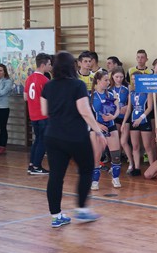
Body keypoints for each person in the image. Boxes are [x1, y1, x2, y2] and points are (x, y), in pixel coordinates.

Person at [41, 51, 107, 227]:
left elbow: (44, 111)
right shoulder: (78, 85)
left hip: (53, 135)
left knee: (56, 176)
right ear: (73, 66)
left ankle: (56, 216)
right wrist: (98, 132)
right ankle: (82, 210)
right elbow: (84, 110)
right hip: (75, 136)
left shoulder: (48, 86)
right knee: (86, 170)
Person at [90, 71, 122, 189]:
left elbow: (117, 109)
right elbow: (86, 115)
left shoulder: (111, 93)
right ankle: (95, 181)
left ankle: (116, 178)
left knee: (116, 155)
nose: (108, 82)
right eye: (106, 80)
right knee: (97, 156)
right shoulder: (90, 96)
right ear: (98, 81)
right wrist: (98, 124)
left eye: (109, 80)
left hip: (111, 126)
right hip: (97, 128)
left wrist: (113, 117)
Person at [24, 53, 52, 175]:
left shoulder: (29, 78)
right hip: (43, 115)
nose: (50, 66)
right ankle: (36, 166)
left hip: (33, 115)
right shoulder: (45, 80)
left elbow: (25, 97)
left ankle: (32, 164)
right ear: (43, 65)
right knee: (43, 141)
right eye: (49, 64)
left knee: (37, 139)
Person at [123, 76, 154, 177]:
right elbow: (129, 109)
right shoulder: (131, 93)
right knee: (135, 146)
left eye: (136, 79)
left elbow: (150, 107)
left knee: (147, 146)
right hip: (133, 121)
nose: (135, 81)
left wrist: (141, 118)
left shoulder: (148, 92)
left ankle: (152, 168)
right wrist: (124, 122)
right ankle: (137, 168)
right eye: (133, 79)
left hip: (144, 121)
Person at [109, 67, 132, 174]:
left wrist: (126, 107)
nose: (119, 79)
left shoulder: (127, 88)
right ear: (112, 76)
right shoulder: (109, 89)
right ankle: (115, 163)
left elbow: (131, 103)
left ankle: (131, 163)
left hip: (125, 117)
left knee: (123, 141)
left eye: (121, 77)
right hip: (115, 117)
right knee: (115, 142)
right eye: (117, 77)